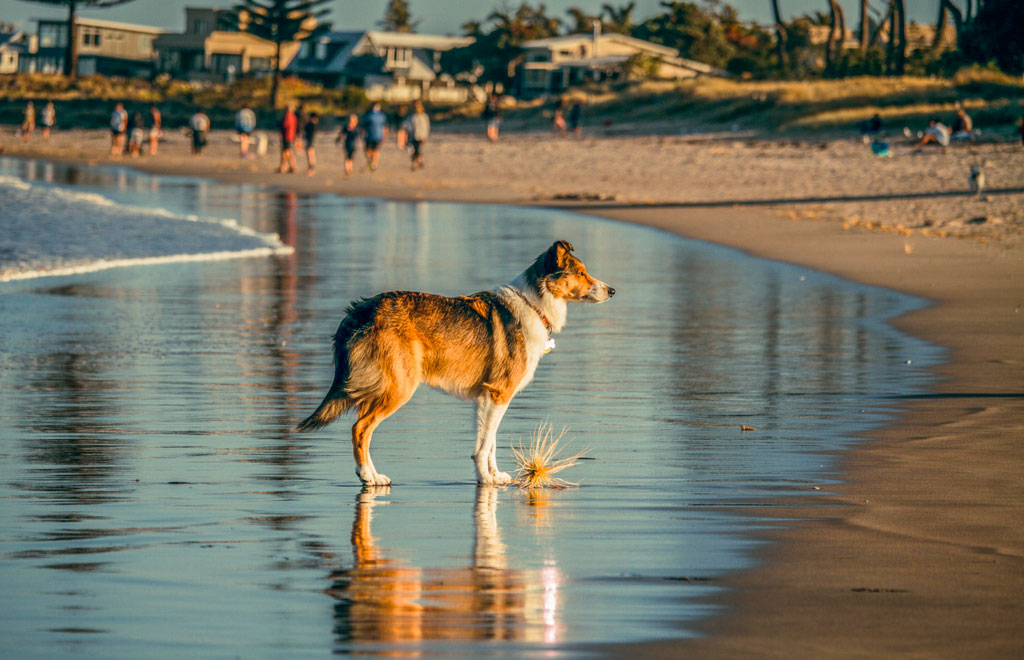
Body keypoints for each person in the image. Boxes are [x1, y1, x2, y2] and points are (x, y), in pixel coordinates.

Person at [403, 101, 430, 171]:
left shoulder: (424, 116)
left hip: (421, 136)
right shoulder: (412, 117)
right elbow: (408, 127)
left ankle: (416, 163)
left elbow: (427, 127)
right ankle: (419, 161)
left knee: (417, 151)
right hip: (413, 136)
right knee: (415, 151)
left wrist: (426, 136)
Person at [362, 102, 388, 172]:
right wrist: (384, 136)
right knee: (375, 150)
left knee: (369, 150)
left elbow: (363, 127)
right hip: (378, 136)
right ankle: (374, 163)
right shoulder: (382, 116)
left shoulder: (368, 115)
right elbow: (385, 128)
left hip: (370, 136)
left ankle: (372, 161)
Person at [278, 104, 299, 173]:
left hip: (287, 136)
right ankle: (288, 166)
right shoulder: (293, 116)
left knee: (286, 152)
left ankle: (287, 166)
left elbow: (285, 125)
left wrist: (280, 126)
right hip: (291, 136)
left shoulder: (288, 116)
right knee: (287, 151)